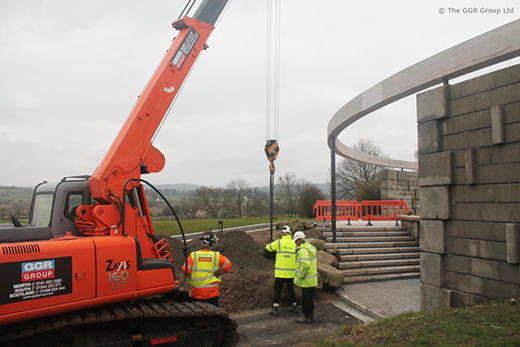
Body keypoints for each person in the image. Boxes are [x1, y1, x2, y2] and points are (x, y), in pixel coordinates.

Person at [182, 233, 231, 307]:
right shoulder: (216, 255)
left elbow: (186, 271)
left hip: (197, 293)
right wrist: (219, 272)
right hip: (212, 293)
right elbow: (228, 266)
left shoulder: (193, 255)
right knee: (213, 312)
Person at [265, 225, 297, 316]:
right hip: (291, 272)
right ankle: (294, 305)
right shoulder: (294, 243)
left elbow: (268, 248)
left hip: (280, 273)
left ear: (282, 233)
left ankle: (275, 308)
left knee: (277, 290)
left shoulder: (278, 242)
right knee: (291, 289)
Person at [293, 231, 318, 323]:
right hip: (311, 279)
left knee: (306, 300)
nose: (295, 243)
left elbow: (306, 264)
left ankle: (306, 317)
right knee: (309, 299)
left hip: (306, 279)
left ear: (299, 240)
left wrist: (300, 275)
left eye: (296, 241)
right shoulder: (309, 247)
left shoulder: (303, 250)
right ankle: (310, 316)